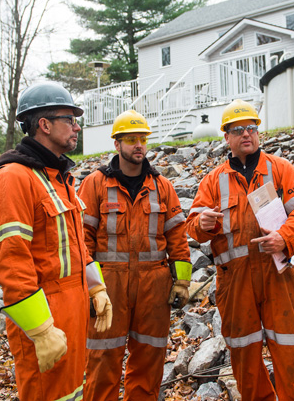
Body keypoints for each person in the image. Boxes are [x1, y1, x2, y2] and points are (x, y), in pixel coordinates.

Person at [0, 82, 113, 401]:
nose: (77, 126)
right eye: (70, 119)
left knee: (73, 394)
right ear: (44, 125)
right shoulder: (13, 178)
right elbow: (11, 262)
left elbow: (76, 245)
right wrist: (40, 329)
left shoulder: (59, 178)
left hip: (73, 309)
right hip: (46, 315)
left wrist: (95, 286)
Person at [187, 99, 294, 401]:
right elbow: (192, 225)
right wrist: (203, 222)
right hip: (235, 284)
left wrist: (284, 238)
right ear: (227, 137)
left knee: (292, 352)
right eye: (237, 130)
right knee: (245, 359)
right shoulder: (212, 180)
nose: (246, 134)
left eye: (251, 128)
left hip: (279, 277)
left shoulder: (280, 169)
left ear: (258, 133)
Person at [78, 109, 191, 401]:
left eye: (142, 139)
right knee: (103, 361)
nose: (139, 145)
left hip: (154, 288)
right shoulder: (95, 184)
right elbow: (82, 240)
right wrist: (90, 288)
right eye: (131, 139)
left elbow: (177, 237)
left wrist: (181, 282)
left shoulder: (162, 186)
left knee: (149, 361)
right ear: (117, 144)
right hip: (108, 286)